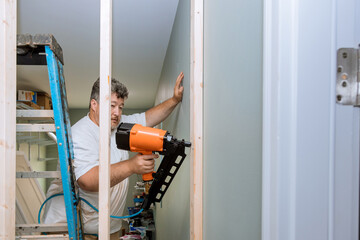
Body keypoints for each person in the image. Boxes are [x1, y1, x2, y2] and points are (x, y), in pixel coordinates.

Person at [43, 72, 184, 239]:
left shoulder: (118, 126)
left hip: (106, 229)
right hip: (70, 229)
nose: (117, 112)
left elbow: (147, 118)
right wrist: (132, 166)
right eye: (111, 105)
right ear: (94, 104)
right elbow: (87, 180)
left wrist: (174, 100)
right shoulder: (81, 133)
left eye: (121, 106)